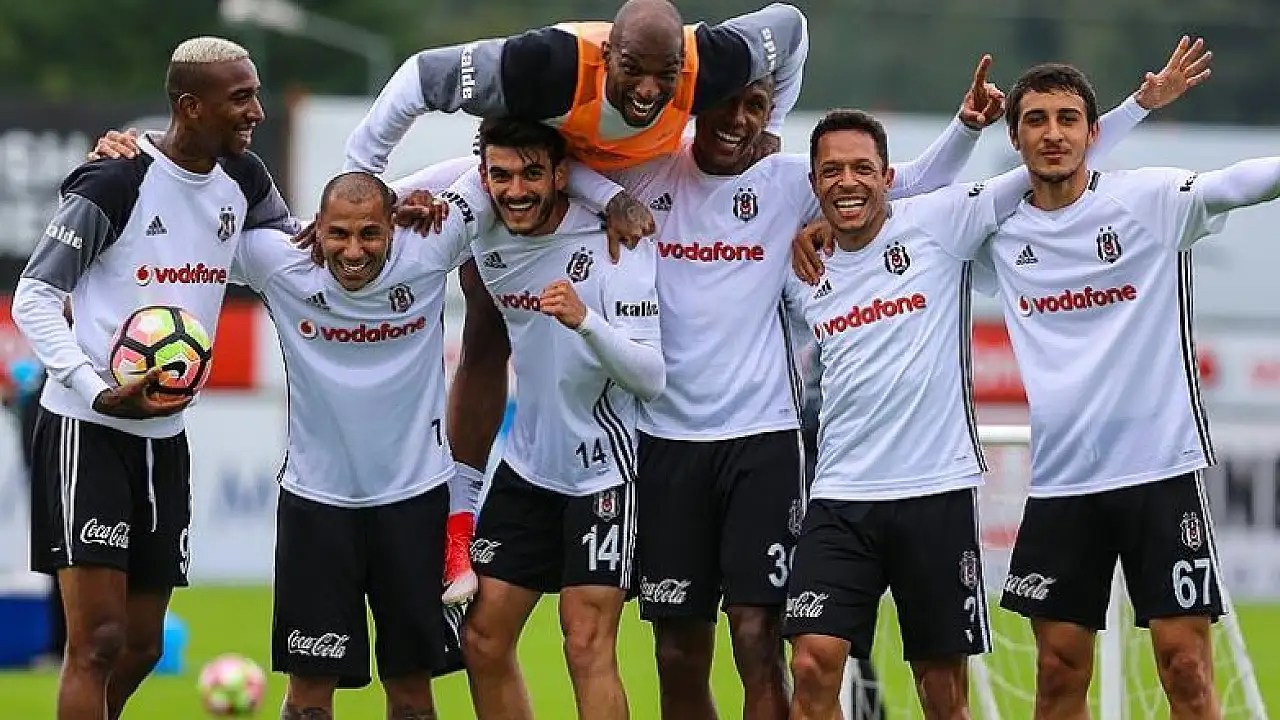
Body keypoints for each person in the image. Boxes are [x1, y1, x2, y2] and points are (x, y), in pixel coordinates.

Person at [546, 57, 1003, 720]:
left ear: (770, 116)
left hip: (764, 444)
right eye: (725, 103)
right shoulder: (648, 173)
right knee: (677, 653)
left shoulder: (788, 184)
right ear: (693, 106)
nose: (738, 120)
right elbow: (560, 164)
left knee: (760, 639)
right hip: (666, 441)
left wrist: (966, 126)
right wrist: (611, 202)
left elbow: (901, 184)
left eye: (755, 105)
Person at [782, 41, 1210, 720]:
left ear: (889, 176)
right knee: (810, 665)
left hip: (935, 492)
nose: (847, 181)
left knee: (942, 692)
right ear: (813, 183)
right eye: (831, 171)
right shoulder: (799, 264)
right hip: (838, 496)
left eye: (862, 168)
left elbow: (1052, 158)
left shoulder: (941, 223)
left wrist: (1138, 106)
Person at [978, 58, 1278, 720]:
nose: (1053, 134)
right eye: (1036, 120)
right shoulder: (996, 231)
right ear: (1014, 137)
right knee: (1057, 671)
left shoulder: (1148, 200)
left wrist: (1137, 108)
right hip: (1063, 483)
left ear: (1093, 132)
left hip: (1160, 471)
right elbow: (905, 223)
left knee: (1185, 665)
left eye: (1068, 119)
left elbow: (1238, 183)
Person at [10, 37, 295, 720]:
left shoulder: (246, 178)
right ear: (190, 107)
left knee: (141, 645)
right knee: (97, 641)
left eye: (256, 95)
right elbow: (34, 296)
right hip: (87, 429)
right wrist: (95, 388)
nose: (256, 112)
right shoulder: (115, 181)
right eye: (241, 98)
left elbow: (291, 255)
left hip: (165, 437)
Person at [405, 117, 662, 720]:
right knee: (482, 639)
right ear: (483, 177)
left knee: (585, 641)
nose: (516, 190)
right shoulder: (482, 226)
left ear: (561, 175)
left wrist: (585, 322)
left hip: (604, 473)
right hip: (526, 469)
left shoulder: (615, 239)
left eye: (531, 174)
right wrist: (404, 205)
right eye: (501, 176)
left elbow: (651, 378)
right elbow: (379, 195)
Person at [232, 172, 473, 718]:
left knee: (412, 697)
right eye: (339, 233)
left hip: (415, 504)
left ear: (393, 227)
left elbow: (486, 167)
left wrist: (405, 191)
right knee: (309, 700)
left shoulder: (429, 247)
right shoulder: (279, 261)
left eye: (370, 233)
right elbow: (190, 224)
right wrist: (138, 154)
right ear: (316, 227)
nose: (354, 250)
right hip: (316, 508)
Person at [344, 0, 808, 175]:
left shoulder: (714, 61)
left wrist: (774, 127)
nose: (648, 90)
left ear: (683, 64)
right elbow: (420, 76)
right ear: (606, 55)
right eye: (632, 70)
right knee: (484, 309)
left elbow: (793, 26)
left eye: (665, 73)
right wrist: (363, 171)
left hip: (639, 175)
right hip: (544, 179)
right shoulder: (545, 66)